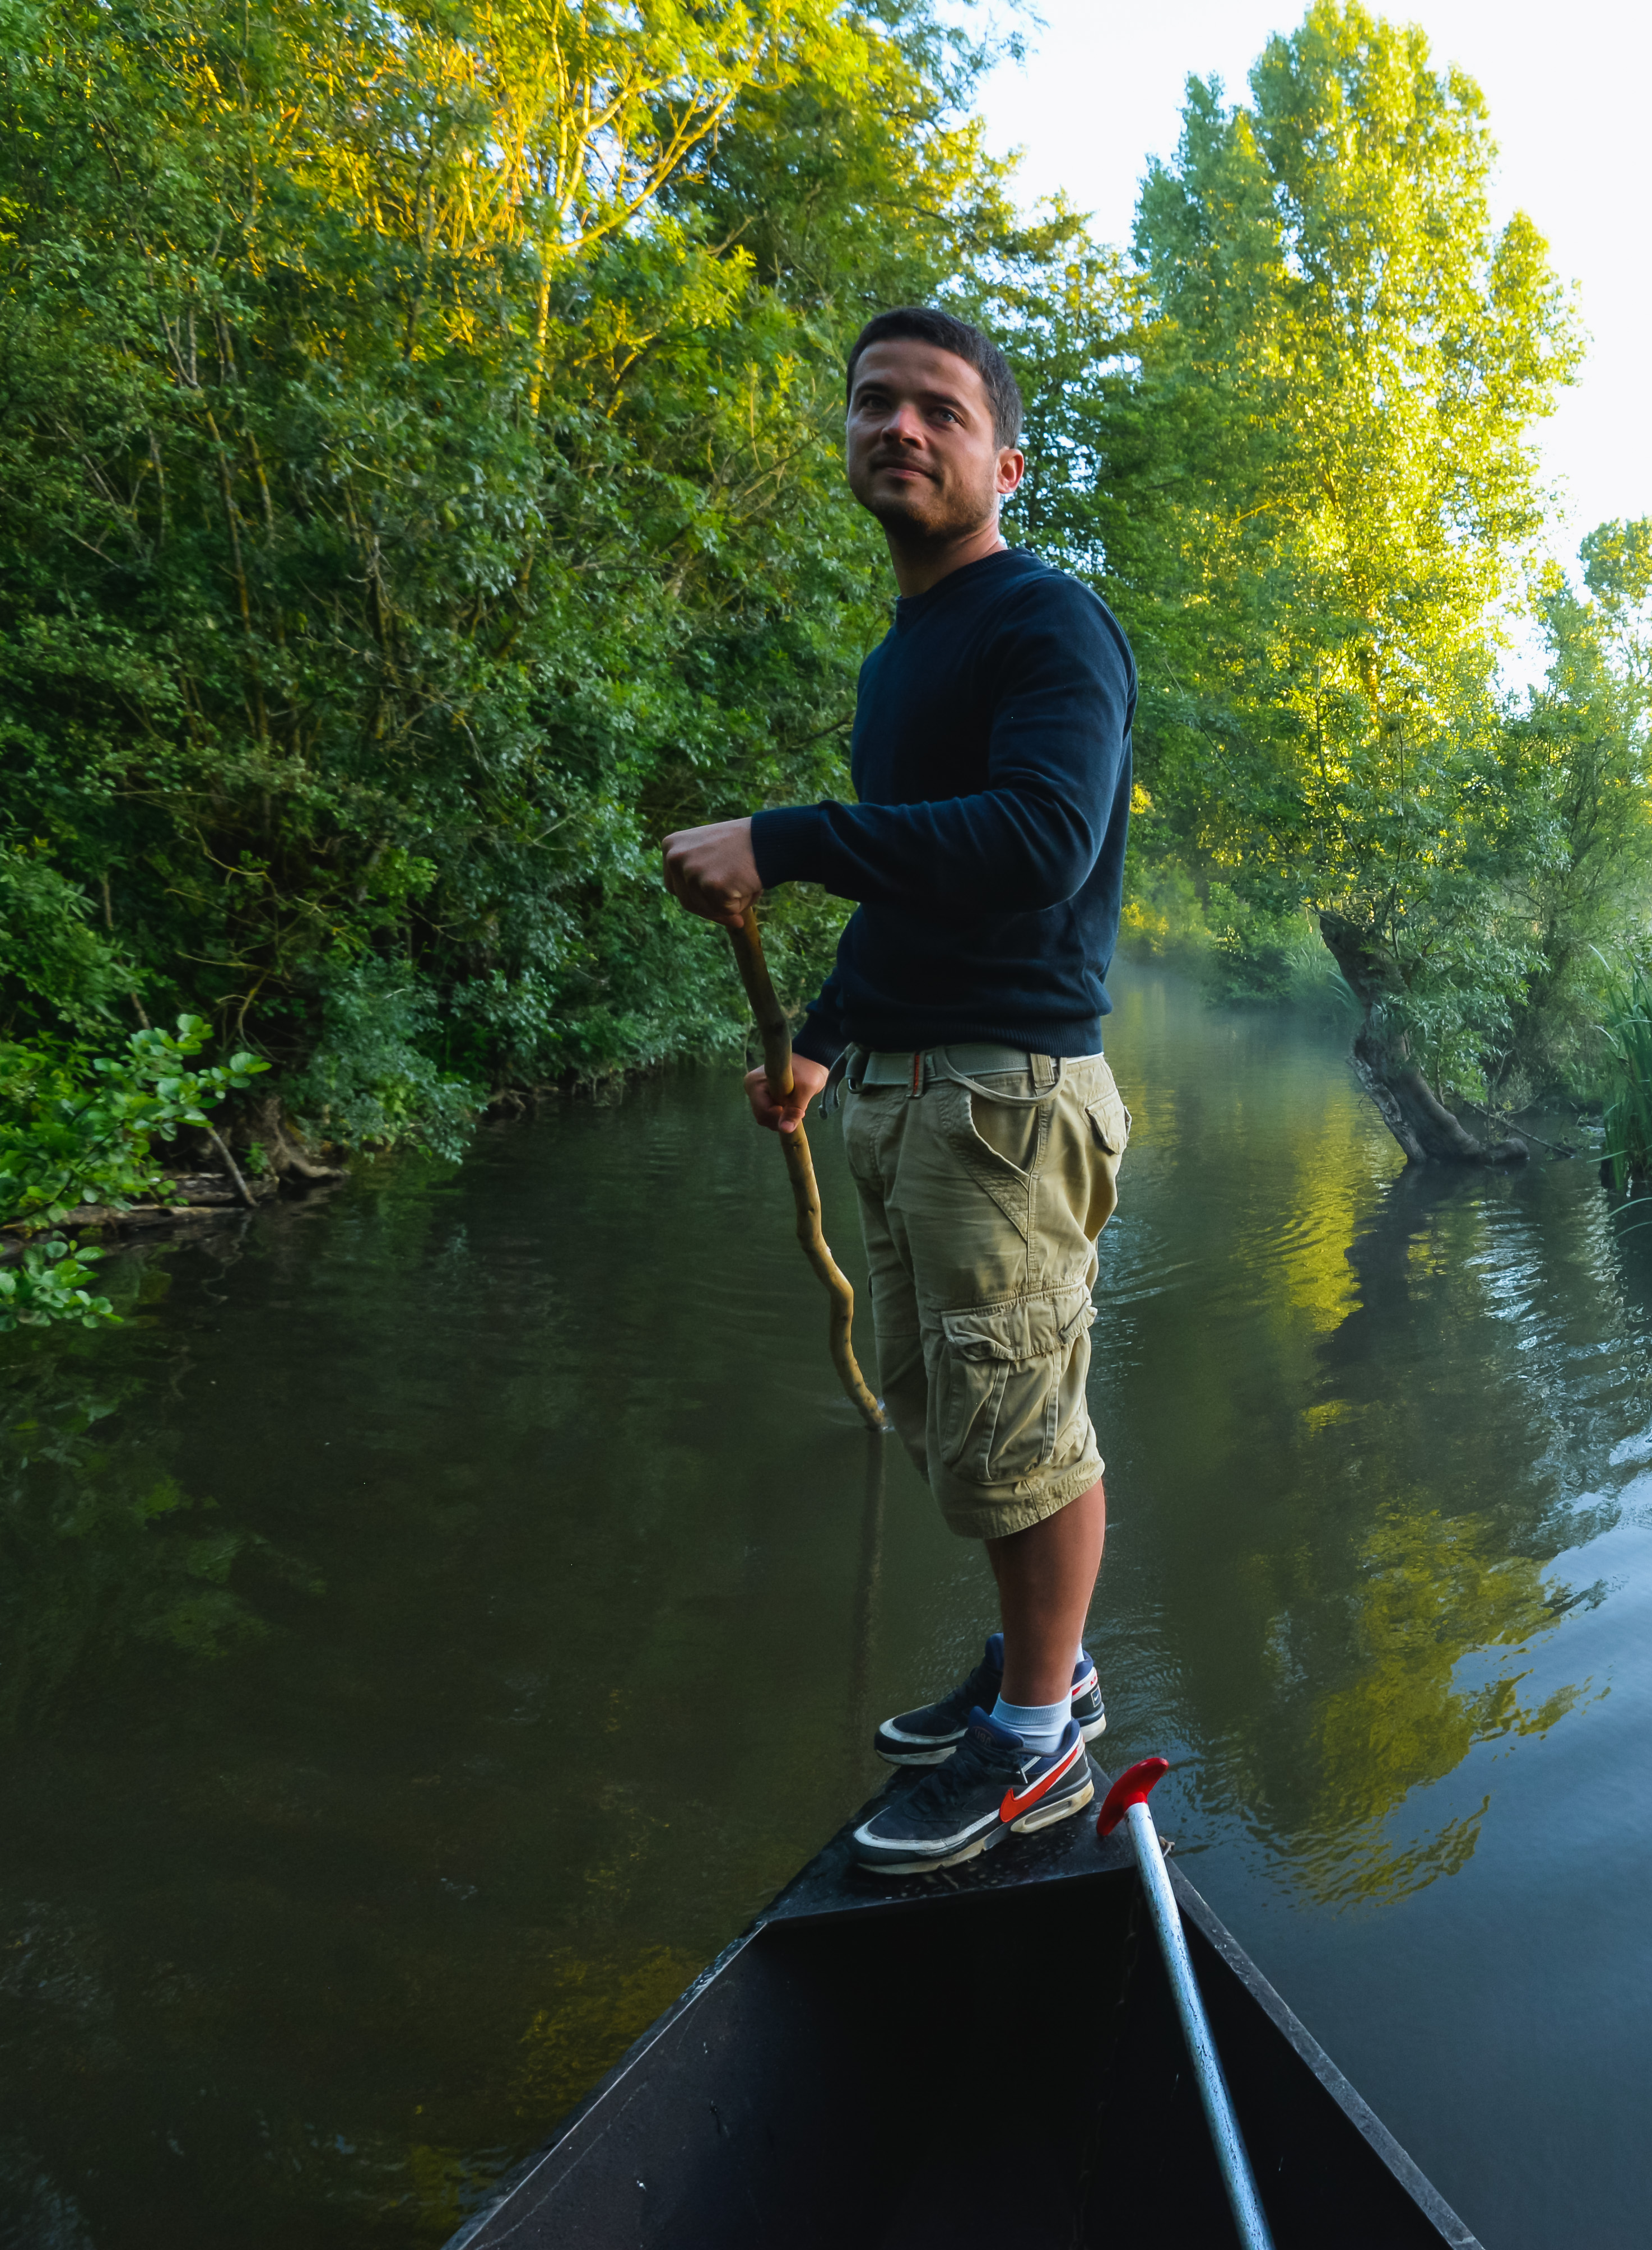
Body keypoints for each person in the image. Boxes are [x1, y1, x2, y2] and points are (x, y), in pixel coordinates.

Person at [660, 306, 1137, 1876]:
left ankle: (1039, 1747)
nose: (900, 428)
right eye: (876, 404)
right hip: (911, 1088)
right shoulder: (902, 652)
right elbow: (916, 891)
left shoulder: (1044, 624)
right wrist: (822, 1035)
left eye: (937, 408)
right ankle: (1031, 1671)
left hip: (1005, 1102)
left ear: (1004, 459)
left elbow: (1033, 846)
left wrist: (787, 837)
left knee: (1026, 1436)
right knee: (965, 1427)